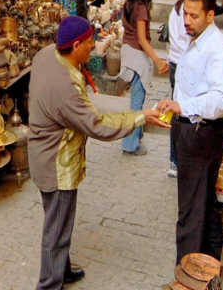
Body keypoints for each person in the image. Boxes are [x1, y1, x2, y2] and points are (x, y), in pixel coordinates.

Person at [30, 16, 168, 290]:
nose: (93, 49)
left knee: (58, 220)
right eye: (90, 44)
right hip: (57, 163)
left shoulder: (47, 55)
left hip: (42, 152)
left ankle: (63, 268)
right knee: (56, 227)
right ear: (77, 45)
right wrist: (140, 117)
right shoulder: (66, 88)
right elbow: (98, 125)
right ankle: (49, 284)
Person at [157, 0, 223, 264]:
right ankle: (210, 268)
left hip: (201, 134)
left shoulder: (216, 49)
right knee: (203, 207)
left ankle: (187, 274)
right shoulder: (198, 40)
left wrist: (184, 107)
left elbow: (220, 98)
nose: (187, 22)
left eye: (194, 16)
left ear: (210, 15)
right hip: (190, 131)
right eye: (185, 15)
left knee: (191, 214)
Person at [165, 0, 214, 176]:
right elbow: (181, 41)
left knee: (186, 111)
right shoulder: (180, 12)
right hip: (181, 65)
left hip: (186, 63)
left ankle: (183, 159)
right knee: (181, 113)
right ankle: (177, 159)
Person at [118, 0, 170, 155]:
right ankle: (130, 144)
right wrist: (157, 60)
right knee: (136, 103)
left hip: (128, 52)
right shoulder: (141, 9)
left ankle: (136, 137)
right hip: (137, 57)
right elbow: (142, 39)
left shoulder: (130, 4)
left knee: (136, 99)